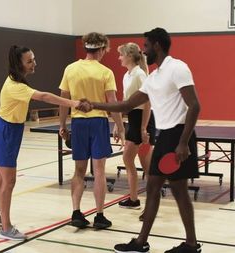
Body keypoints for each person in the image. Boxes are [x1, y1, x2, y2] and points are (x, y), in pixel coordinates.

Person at [78, 27, 202, 253]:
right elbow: (126, 105)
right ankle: (140, 241)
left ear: (156, 45)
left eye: (145, 46)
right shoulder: (153, 78)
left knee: (179, 191)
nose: (143, 51)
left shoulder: (177, 68)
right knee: (153, 188)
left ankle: (191, 244)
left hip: (179, 135)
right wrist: (94, 105)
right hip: (164, 136)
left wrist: (184, 142)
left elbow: (194, 105)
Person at [0, 45, 80, 240]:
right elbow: (44, 96)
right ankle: (6, 228)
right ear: (18, 64)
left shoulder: (17, 82)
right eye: (29, 61)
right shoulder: (16, 87)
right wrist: (73, 103)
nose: (34, 63)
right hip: (5, 132)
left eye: (33, 59)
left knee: (1, 176)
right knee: (9, 180)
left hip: (8, 130)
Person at [58, 32, 125, 229]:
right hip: (98, 123)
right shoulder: (105, 72)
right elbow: (112, 102)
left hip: (78, 123)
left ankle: (76, 212)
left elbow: (63, 99)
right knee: (99, 171)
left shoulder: (70, 69)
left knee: (79, 171)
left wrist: (62, 125)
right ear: (102, 49)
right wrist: (120, 127)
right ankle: (99, 215)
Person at [116, 42, 156, 212]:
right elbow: (127, 103)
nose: (119, 58)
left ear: (130, 56)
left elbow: (147, 103)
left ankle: (141, 200)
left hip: (142, 120)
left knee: (132, 160)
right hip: (133, 118)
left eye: (121, 55)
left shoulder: (140, 75)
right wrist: (120, 125)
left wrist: (143, 128)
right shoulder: (128, 75)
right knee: (137, 162)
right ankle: (135, 199)